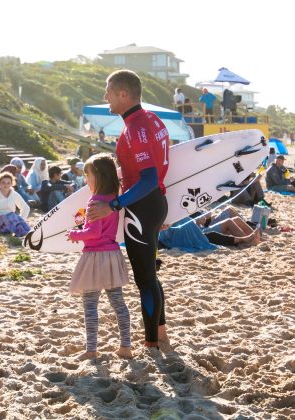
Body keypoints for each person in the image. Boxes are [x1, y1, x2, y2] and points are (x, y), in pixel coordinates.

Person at [87, 69, 171, 352]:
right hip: (153, 203)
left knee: (144, 278)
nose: (105, 97)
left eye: (108, 91)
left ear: (123, 94)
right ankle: (161, 337)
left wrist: (113, 205)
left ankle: (151, 345)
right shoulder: (153, 120)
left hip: (141, 208)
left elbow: (147, 177)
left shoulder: (136, 128)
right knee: (150, 275)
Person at [67, 153, 132, 360]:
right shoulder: (114, 198)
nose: (86, 180)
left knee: (90, 304)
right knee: (118, 303)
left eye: (88, 175)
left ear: (99, 176)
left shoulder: (94, 201)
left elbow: (93, 233)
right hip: (112, 255)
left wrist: (74, 234)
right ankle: (125, 347)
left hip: (95, 257)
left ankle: (92, 349)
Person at [194, 207, 261, 246]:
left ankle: (256, 238)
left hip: (203, 226)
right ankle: (246, 241)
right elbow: (196, 223)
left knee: (236, 219)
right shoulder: (186, 210)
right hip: (201, 231)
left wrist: (208, 217)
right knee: (228, 221)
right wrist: (205, 218)